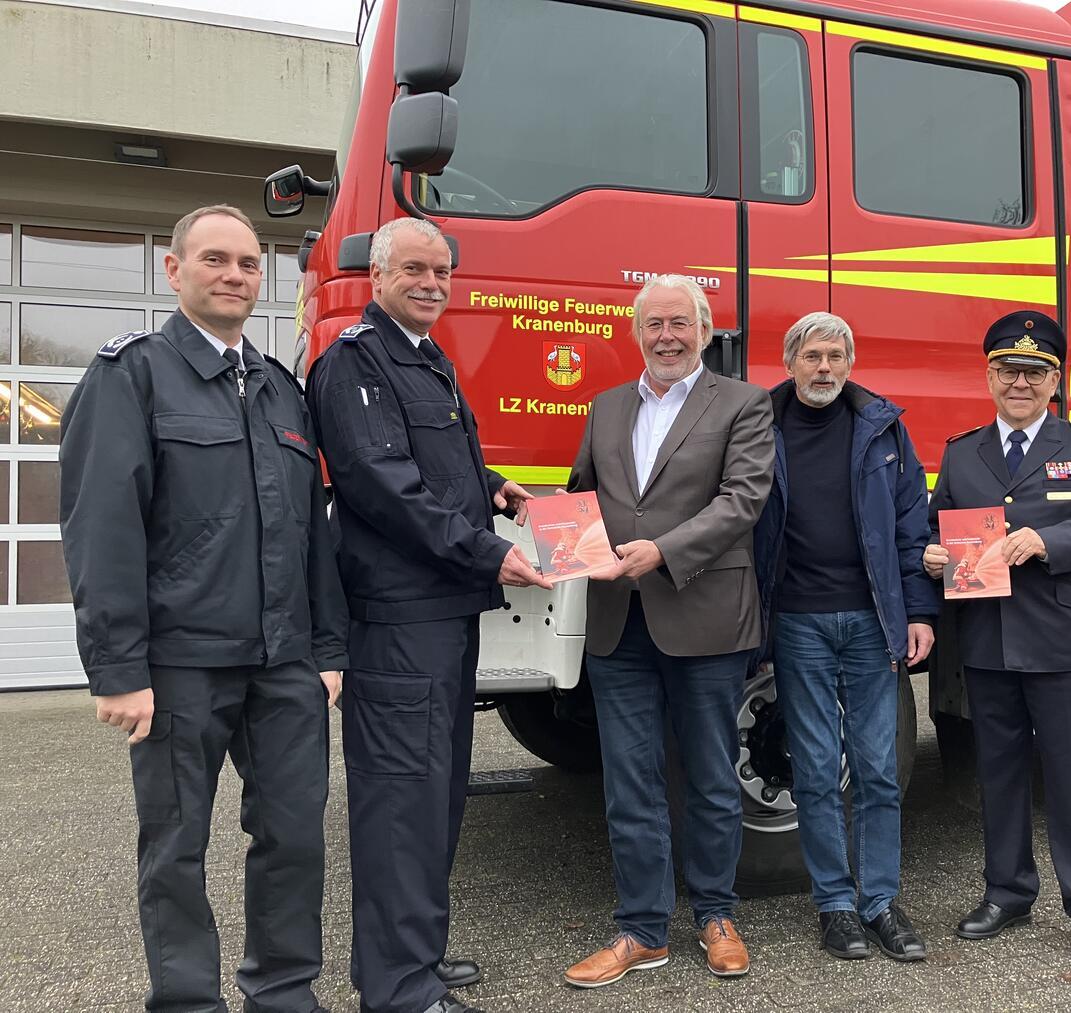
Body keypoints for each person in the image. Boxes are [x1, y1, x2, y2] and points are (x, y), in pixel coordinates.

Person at [59, 204, 348, 1013]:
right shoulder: (133, 373)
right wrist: (118, 668)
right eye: (215, 259)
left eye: (249, 263)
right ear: (175, 270)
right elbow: (101, 526)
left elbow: (313, 532)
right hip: (180, 665)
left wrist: (327, 649)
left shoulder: (283, 391)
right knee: (175, 847)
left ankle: (284, 993)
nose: (234, 275)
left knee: (294, 838)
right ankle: (186, 999)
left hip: (286, 663)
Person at [305, 217, 547, 1013]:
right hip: (398, 621)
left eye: (442, 271)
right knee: (400, 803)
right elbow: (383, 482)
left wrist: (495, 486)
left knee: (437, 794)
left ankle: (418, 957)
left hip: (442, 620)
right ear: (377, 274)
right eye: (414, 268)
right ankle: (399, 990)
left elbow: (439, 462)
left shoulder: (426, 358)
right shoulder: (355, 361)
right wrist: (485, 548)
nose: (432, 283)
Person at [562, 274, 774, 989]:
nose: (666, 336)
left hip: (705, 614)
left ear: (705, 329)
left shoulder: (743, 404)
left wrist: (666, 551)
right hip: (619, 620)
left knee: (711, 776)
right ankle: (642, 929)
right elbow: (582, 493)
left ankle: (716, 913)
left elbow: (742, 500)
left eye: (679, 322)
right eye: (652, 323)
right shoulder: (605, 406)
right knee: (630, 781)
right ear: (636, 332)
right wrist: (552, 524)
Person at [922, 310, 1071, 974]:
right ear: (989, 375)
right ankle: (1009, 891)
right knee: (999, 775)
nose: (1019, 382)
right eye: (1006, 370)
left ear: (1055, 378)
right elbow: (937, 527)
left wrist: (1049, 539)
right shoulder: (963, 452)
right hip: (987, 643)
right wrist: (933, 556)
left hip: (1061, 641)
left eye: (1034, 371)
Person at [752, 312, 939, 963]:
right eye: (812, 356)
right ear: (791, 362)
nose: (824, 367)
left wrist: (919, 611)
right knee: (814, 770)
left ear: (849, 362)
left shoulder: (884, 429)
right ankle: (835, 905)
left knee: (878, 768)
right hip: (798, 624)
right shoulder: (760, 426)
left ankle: (881, 901)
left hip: (871, 622)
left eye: (835, 355)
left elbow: (913, 525)